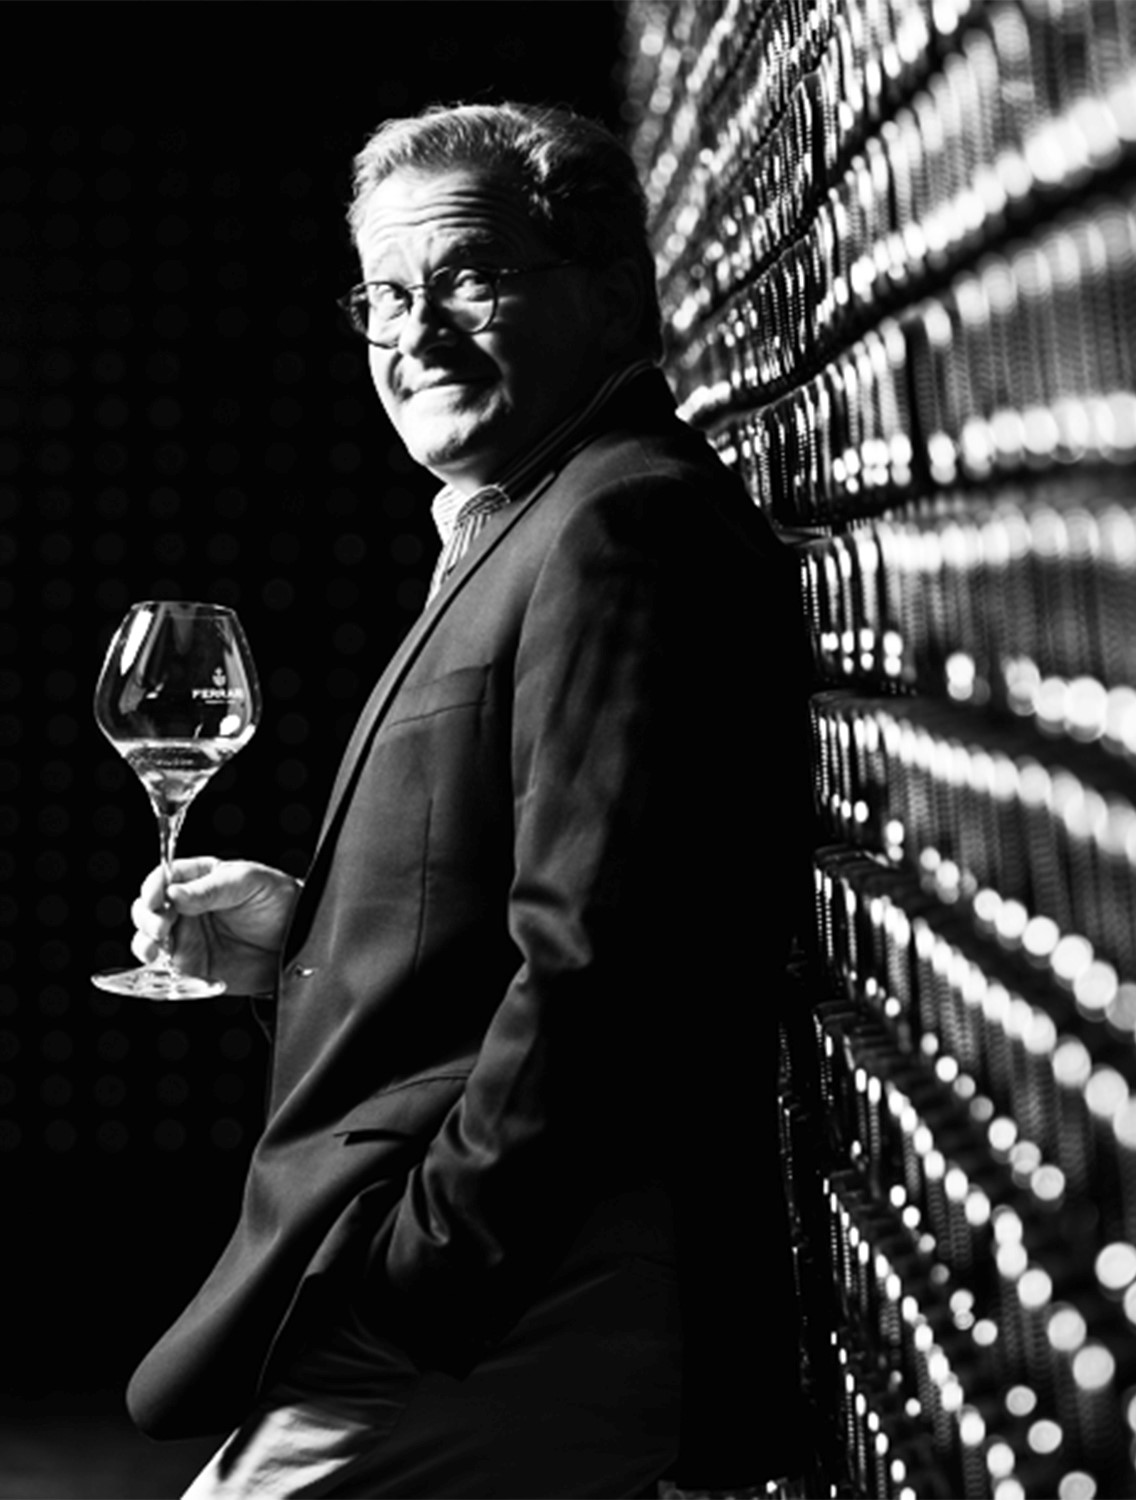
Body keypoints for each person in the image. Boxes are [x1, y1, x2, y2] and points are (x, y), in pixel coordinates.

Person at [124, 101, 807, 1498]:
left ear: (612, 291)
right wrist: (306, 938)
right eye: (384, 295)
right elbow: (535, 892)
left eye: (470, 279)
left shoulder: (620, 524)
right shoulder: (534, 512)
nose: (415, 334)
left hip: (517, 1295)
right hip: (496, 1288)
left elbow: (605, 960)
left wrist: (432, 1272)